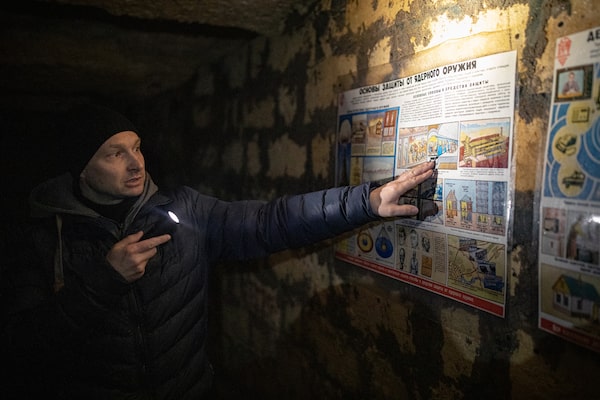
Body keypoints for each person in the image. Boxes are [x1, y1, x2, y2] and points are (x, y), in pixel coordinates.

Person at [0, 104, 435, 399]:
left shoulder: (182, 211)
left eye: (136, 147)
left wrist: (365, 202)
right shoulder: (40, 240)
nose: (136, 163)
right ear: (81, 169)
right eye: (115, 154)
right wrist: (103, 282)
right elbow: (23, 348)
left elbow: (269, 221)